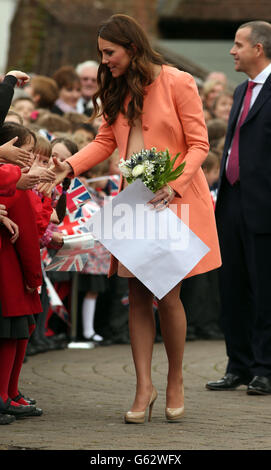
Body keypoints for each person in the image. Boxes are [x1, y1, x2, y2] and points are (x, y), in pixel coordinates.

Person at [50, 14, 221, 423]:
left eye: (110, 52)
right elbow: (105, 141)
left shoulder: (178, 81)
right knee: (138, 296)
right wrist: (68, 167)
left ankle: (176, 380)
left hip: (174, 200)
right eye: (101, 54)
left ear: (132, 46)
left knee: (169, 296)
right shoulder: (117, 87)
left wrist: (174, 183)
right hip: (134, 202)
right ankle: (143, 386)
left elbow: (199, 143)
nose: (104, 61)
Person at [206, 21, 271, 395]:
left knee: (265, 288)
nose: (232, 50)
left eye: (238, 44)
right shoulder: (241, 89)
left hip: (264, 205)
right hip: (231, 201)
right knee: (232, 287)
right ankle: (239, 365)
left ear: (258, 49)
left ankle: (265, 367)